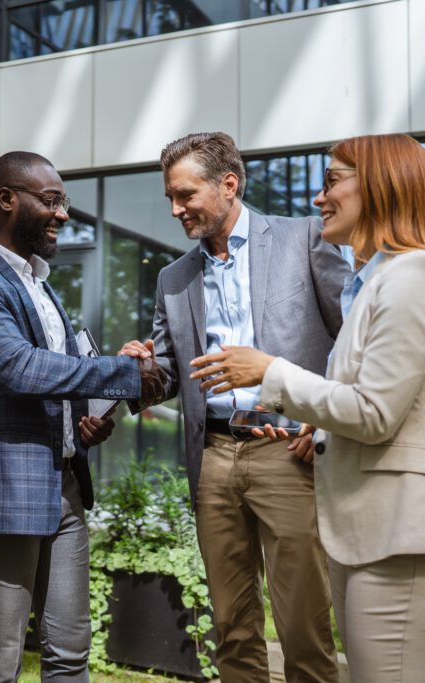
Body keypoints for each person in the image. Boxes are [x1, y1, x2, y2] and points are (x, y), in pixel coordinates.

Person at [189, 133, 425, 682]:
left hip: (402, 529)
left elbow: (376, 413)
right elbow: (372, 397)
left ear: (381, 185)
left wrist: (269, 372)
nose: (319, 198)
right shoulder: (373, 282)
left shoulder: (414, 274)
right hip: (368, 527)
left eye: (332, 181)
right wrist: (316, 422)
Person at [120, 132, 348, 683]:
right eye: (170, 198)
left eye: (185, 195)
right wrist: (142, 367)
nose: (176, 209)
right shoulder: (174, 279)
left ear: (228, 184)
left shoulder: (304, 237)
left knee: (303, 625)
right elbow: (173, 373)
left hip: (288, 451)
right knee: (231, 625)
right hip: (214, 458)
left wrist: (324, 428)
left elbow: (353, 339)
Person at [0, 151, 163, 682]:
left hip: (64, 489)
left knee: (70, 655)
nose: (63, 214)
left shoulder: (40, 285)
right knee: (0, 661)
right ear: (7, 199)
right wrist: (124, 377)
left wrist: (89, 417)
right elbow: (15, 368)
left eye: (65, 201)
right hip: (3, 492)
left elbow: (58, 378)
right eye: (52, 200)